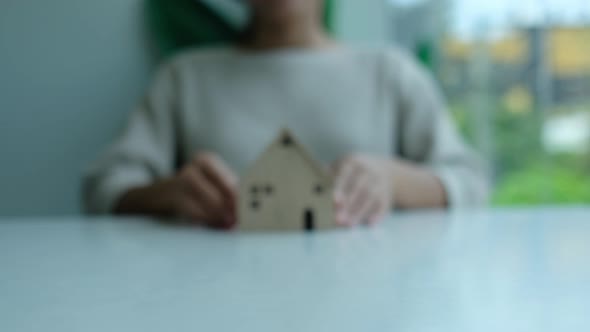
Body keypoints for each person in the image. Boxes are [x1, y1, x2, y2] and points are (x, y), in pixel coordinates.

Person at [83, 0, 488, 229]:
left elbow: (472, 182)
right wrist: (170, 193)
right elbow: (103, 187)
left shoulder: (389, 72)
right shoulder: (185, 76)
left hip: (367, 303)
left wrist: (394, 180)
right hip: (218, 301)